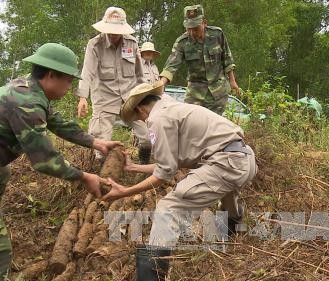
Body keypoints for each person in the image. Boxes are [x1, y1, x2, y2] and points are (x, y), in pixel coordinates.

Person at [0, 43, 119, 281]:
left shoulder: (30, 90)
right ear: (51, 75)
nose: (70, 87)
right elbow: (45, 161)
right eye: (69, 81)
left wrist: (95, 142)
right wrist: (83, 177)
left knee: (3, 173)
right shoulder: (26, 102)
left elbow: (58, 123)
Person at [102, 82, 257, 281]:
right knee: (225, 187)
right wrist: (134, 167)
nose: (141, 119)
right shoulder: (174, 108)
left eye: (139, 116)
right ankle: (233, 232)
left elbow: (164, 173)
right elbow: (170, 164)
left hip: (227, 163)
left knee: (169, 207)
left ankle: (151, 277)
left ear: (141, 108)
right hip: (244, 159)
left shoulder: (157, 119)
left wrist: (124, 191)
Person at [76, 6, 152, 164]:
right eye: (110, 31)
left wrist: (146, 98)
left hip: (129, 97)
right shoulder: (95, 45)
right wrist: (83, 97)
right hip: (104, 98)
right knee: (101, 142)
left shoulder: (132, 43)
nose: (113, 35)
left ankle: (143, 168)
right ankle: (102, 175)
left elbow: (139, 74)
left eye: (117, 32)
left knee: (147, 136)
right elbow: (87, 72)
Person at [159, 4, 240, 115]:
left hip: (218, 92)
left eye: (195, 28)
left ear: (204, 23)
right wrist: (161, 83)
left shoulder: (217, 34)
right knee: (193, 126)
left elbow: (227, 58)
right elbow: (171, 65)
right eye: (189, 28)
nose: (192, 32)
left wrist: (232, 81)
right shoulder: (182, 42)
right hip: (195, 95)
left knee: (214, 127)